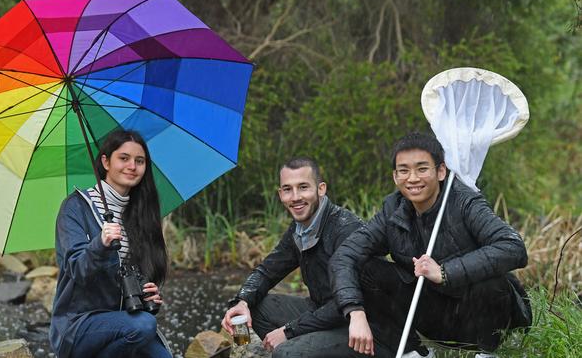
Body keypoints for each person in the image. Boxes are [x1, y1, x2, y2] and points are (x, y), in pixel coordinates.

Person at [330, 132, 532, 358]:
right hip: (433, 314)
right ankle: (415, 352)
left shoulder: (465, 201)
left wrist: (445, 272)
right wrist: (355, 311)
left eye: (422, 169)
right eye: (404, 170)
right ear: (395, 177)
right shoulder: (392, 209)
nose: (413, 178)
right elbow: (345, 255)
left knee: (492, 280)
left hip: (479, 316)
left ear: (441, 171)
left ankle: (489, 352)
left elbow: (513, 247)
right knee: (367, 269)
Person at [221, 157, 373, 358]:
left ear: (321, 189)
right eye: (287, 189)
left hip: (363, 328)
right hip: (323, 314)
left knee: (285, 352)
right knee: (251, 305)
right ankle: (244, 352)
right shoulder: (301, 229)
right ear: (280, 193)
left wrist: (288, 331)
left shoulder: (346, 229)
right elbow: (267, 271)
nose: (295, 197)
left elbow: (347, 302)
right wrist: (240, 302)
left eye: (303, 187)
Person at [49, 129, 172, 358]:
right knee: (143, 326)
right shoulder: (75, 207)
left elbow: (128, 278)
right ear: (106, 161)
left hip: (122, 323)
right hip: (77, 325)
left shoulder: (139, 213)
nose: (132, 166)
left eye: (139, 161)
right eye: (123, 158)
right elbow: (76, 269)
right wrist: (101, 243)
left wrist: (147, 295)